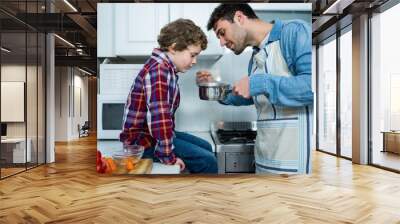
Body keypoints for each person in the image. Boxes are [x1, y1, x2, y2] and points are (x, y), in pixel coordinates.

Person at [197, 4, 313, 174]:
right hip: (265, 161)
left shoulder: (294, 32)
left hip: (295, 166)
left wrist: (259, 83)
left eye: (222, 33)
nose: (222, 42)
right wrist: (215, 88)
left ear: (239, 18)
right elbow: (253, 95)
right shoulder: (256, 55)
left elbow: (311, 87)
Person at [120, 19, 218, 174]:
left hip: (151, 136)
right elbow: (160, 119)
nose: (195, 61)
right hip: (142, 144)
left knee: (206, 147)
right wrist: (168, 157)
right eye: (193, 55)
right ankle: (204, 196)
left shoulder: (166, 69)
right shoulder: (159, 71)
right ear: (173, 48)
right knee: (207, 161)